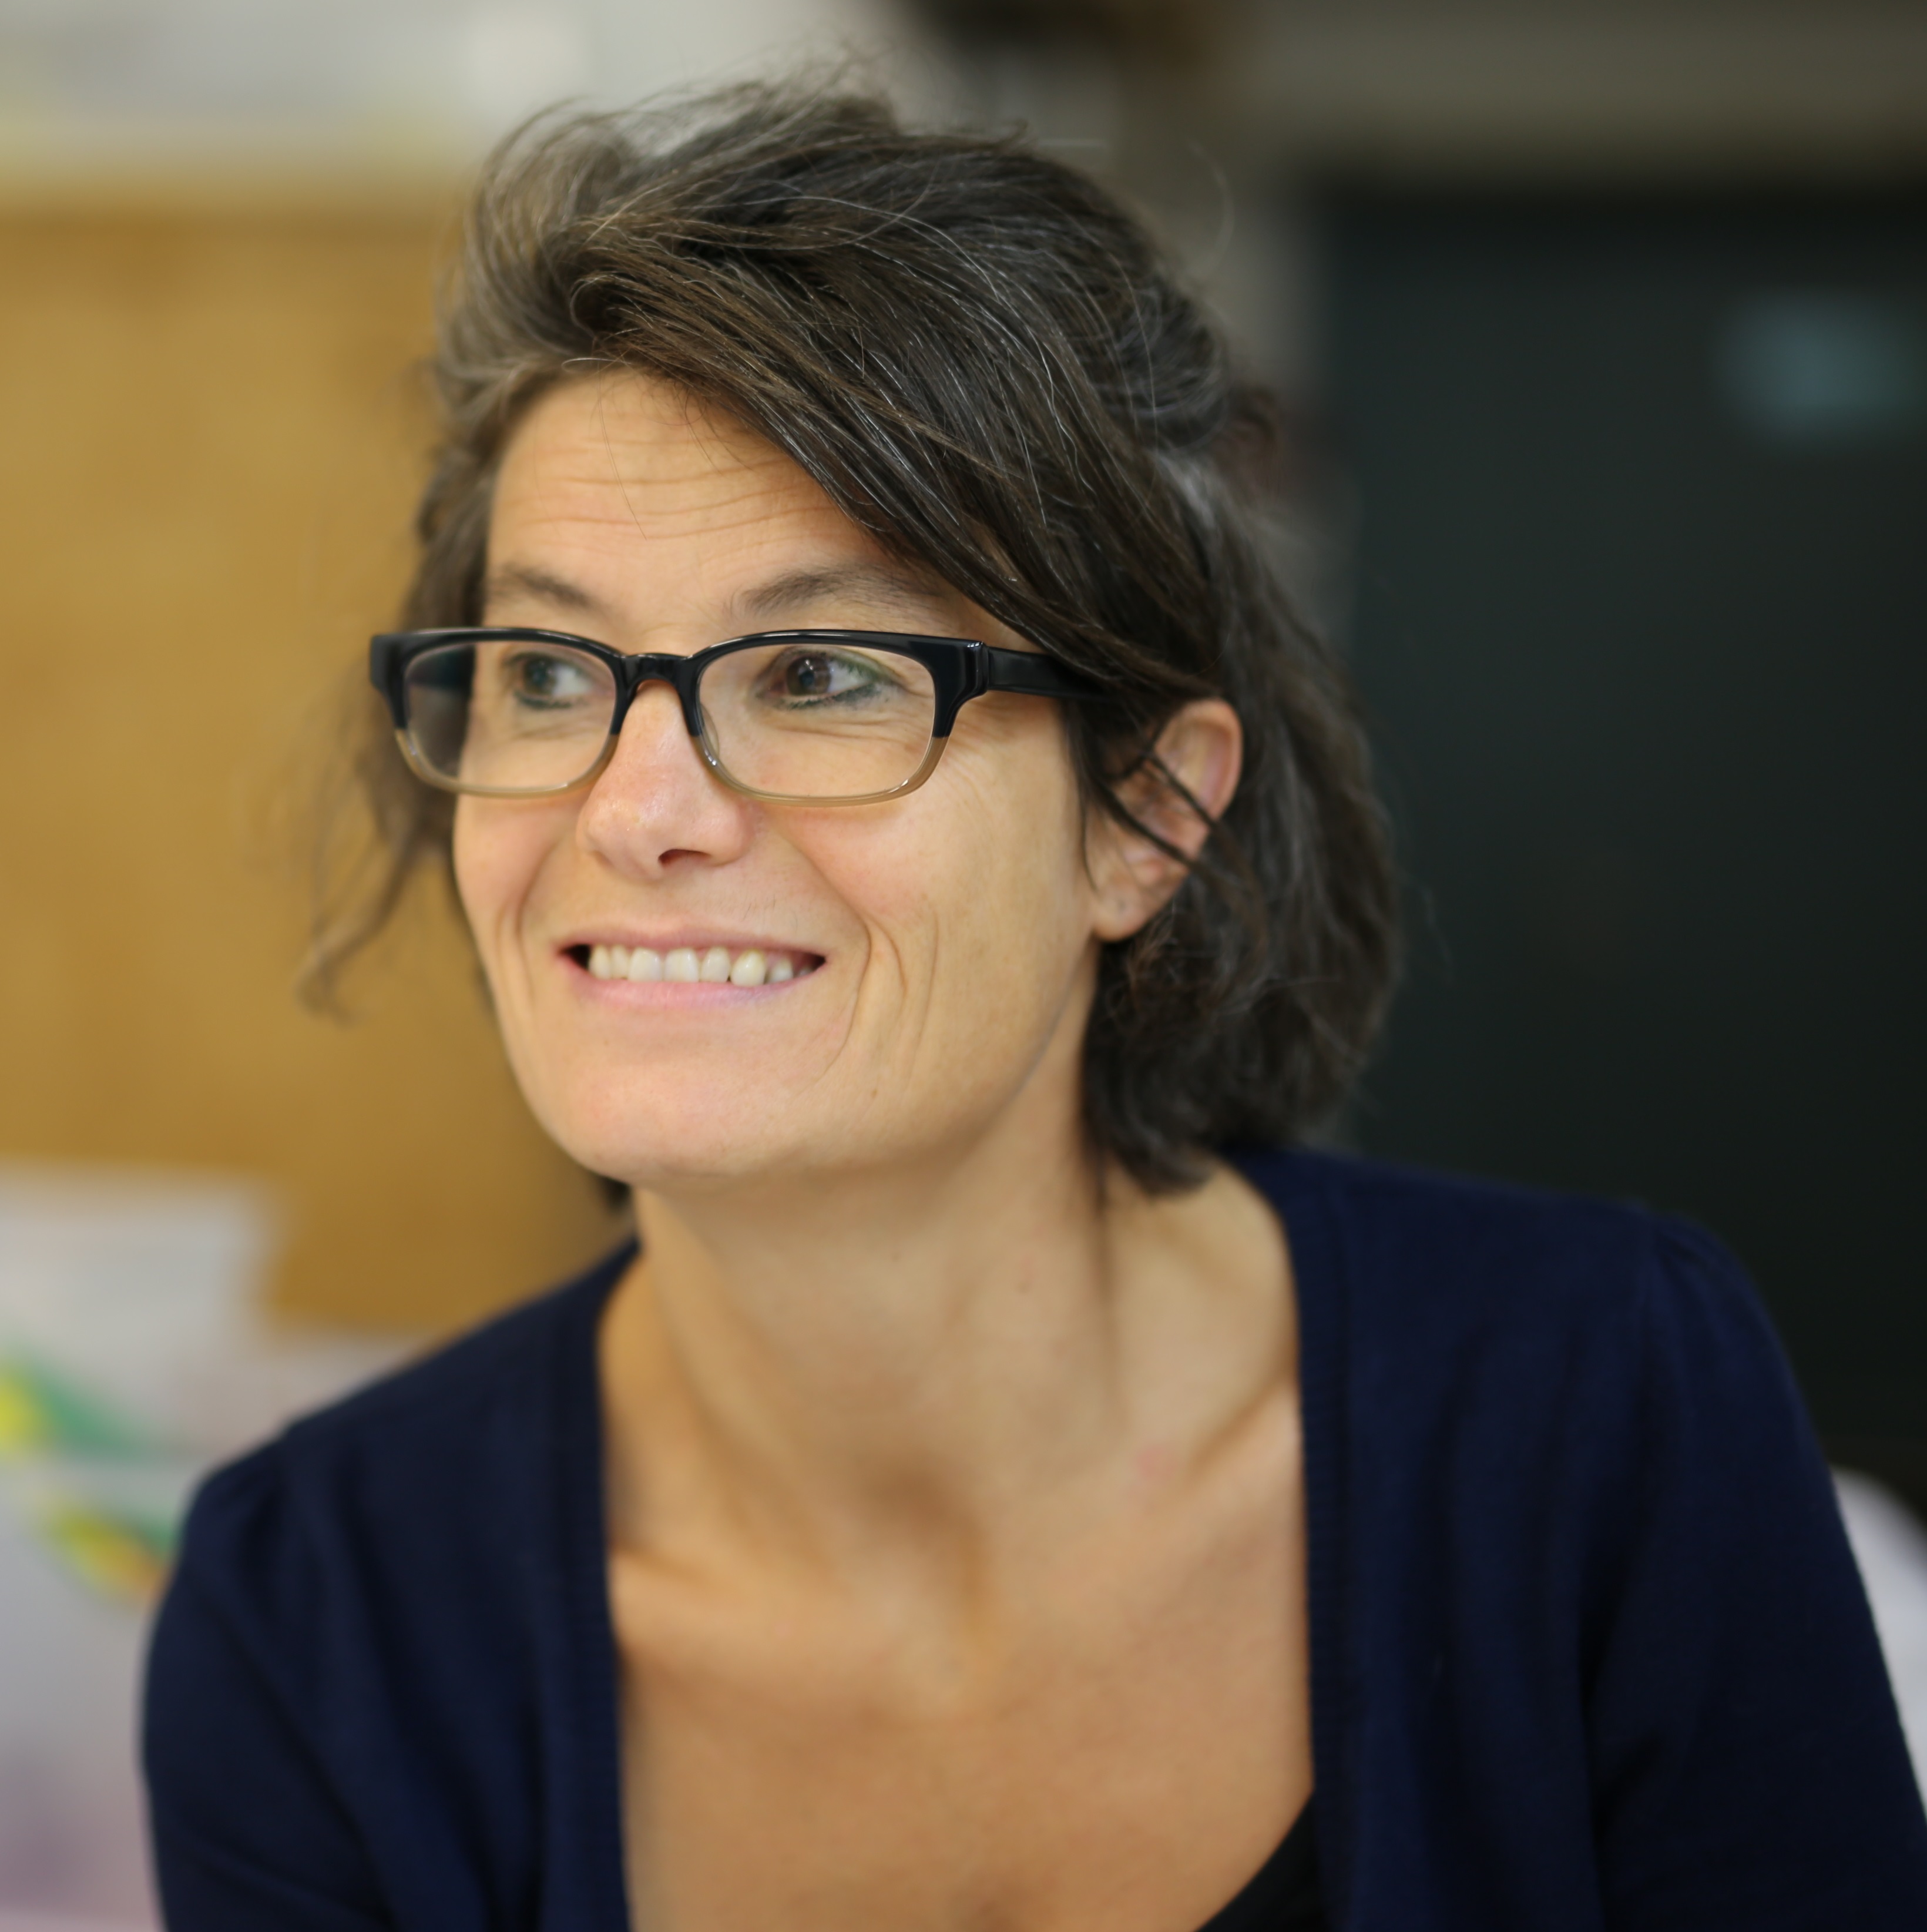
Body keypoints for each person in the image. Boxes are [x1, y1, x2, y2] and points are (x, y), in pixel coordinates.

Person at [142, 86, 1927, 1932]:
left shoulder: (1607, 1412)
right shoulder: (315, 1625)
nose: (633, 811)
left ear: (1143, 815)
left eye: (822, 672)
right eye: (544, 670)